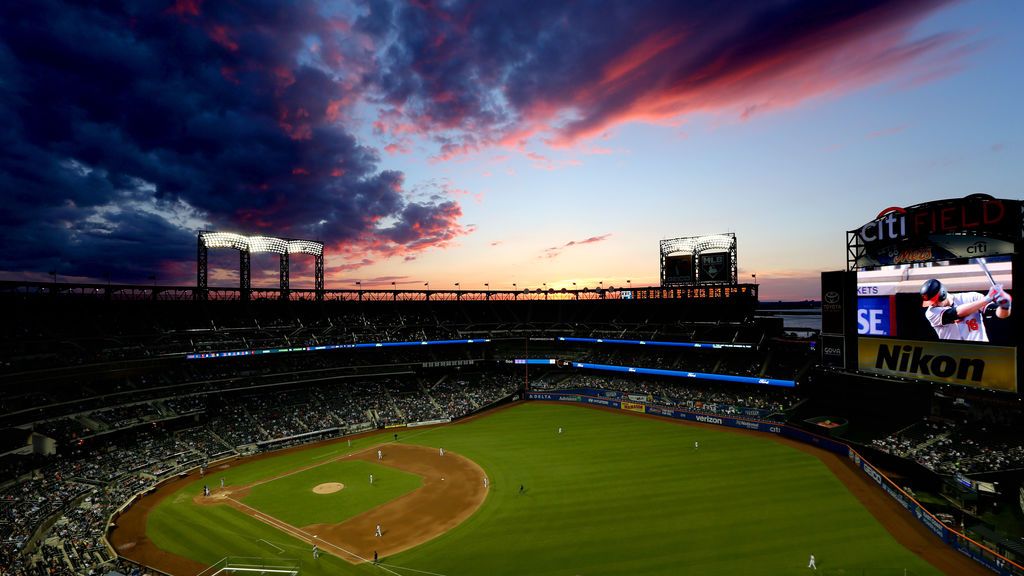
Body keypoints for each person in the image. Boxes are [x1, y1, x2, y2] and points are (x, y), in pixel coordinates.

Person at [920, 279, 1011, 342]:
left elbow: (996, 313)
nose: (933, 304)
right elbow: (956, 313)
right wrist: (988, 298)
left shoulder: (972, 297)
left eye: (934, 301)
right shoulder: (930, 312)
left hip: (981, 351)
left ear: (942, 294)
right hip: (956, 356)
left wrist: (1004, 306)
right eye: (930, 302)